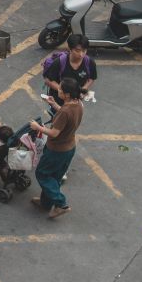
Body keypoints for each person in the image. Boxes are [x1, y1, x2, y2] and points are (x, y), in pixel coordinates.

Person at [30, 77, 84, 219]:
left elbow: (54, 133)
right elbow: (66, 117)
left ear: (66, 94)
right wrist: (54, 104)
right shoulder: (78, 104)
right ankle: (46, 202)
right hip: (69, 148)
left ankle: (61, 204)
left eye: (60, 89)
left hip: (56, 150)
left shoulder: (65, 111)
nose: (57, 90)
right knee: (54, 177)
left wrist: (38, 127)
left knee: (42, 174)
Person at [43, 33, 97, 109]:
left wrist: (84, 89)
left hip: (77, 101)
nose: (81, 54)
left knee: (73, 118)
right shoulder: (59, 63)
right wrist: (64, 92)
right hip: (58, 101)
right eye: (77, 51)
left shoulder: (90, 62)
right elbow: (48, 80)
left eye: (84, 50)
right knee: (59, 118)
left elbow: (91, 78)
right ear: (70, 48)